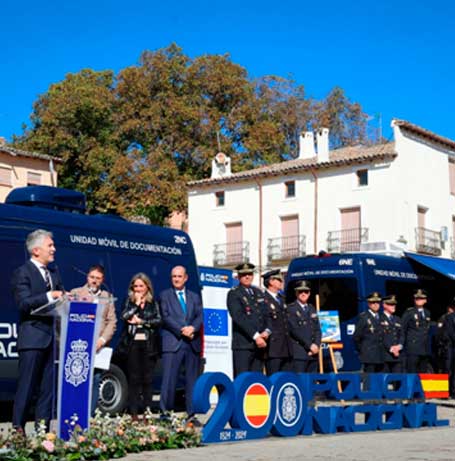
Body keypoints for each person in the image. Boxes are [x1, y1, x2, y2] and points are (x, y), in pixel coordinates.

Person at [11, 229, 65, 431]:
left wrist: (72, 299)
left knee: (47, 389)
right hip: (32, 338)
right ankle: (18, 428)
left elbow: (62, 297)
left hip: (52, 337)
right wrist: (50, 296)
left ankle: (43, 430)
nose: (54, 249)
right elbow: (24, 303)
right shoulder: (22, 273)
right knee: (27, 387)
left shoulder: (54, 273)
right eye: (50, 246)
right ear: (36, 250)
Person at [70, 265, 117, 414]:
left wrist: (101, 341)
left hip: (98, 347)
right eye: (92, 277)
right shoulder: (76, 293)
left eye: (98, 278)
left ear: (102, 280)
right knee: (77, 381)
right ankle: (75, 412)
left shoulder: (107, 297)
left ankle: (89, 415)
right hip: (78, 345)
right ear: (87, 277)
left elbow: (112, 322)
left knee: (95, 380)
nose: (94, 281)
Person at [159, 265, 203, 422]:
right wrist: (182, 329)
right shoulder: (165, 295)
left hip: (192, 342)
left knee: (192, 382)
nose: (176, 279)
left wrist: (193, 328)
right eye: (173, 277)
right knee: (169, 380)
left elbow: (200, 316)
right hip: (173, 342)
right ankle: (166, 414)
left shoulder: (194, 296)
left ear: (186, 278)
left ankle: (191, 415)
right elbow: (165, 317)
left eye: (179, 276)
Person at [119, 273, 161, 420]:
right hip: (132, 344)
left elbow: (158, 320)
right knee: (134, 378)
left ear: (147, 287)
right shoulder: (129, 301)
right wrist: (136, 305)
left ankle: (147, 412)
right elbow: (124, 316)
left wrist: (141, 321)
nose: (138, 289)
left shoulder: (153, 303)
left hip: (149, 344)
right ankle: (134, 413)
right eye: (135, 286)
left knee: (148, 379)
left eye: (141, 286)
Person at [227, 263, 271, 377]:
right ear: (238, 277)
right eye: (244, 274)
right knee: (242, 381)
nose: (247, 277)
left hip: (260, 345)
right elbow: (238, 317)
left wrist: (267, 331)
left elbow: (267, 314)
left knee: (257, 381)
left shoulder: (258, 292)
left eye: (249, 274)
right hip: (243, 345)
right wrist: (256, 336)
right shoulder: (234, 293)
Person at [287, 280, 322, 373]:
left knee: (312, 382)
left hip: (313, 353)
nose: (303, 294)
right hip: (299, 353)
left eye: (306, 291)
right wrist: (309, 345)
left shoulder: (311, 308)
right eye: (300, 291)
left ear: (309, 293)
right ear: (296, 293)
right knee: (300, 382)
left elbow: (317, 329)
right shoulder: (291, 309)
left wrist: (317, 345)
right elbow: (294, 331)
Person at [262, 270, 292, 375]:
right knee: (274, 380)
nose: (281, 282)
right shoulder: (263, 299)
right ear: (271, 282)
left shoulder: (282, 299)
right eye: (279, 279)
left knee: (286, 381)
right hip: (273, 349)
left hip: (286, 347)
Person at [402, 288, 432, 373]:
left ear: (425, 300)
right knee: (412, 372)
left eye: (421, 298)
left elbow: (426, 330)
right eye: (417, 298)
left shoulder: (427, 313)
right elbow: (403, 329)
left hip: (424, 348)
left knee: (423, 372)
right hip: (413, 348)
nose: (419, 300)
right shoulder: (409, 312)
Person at [353, 292, 384, 373]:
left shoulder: (382, 317)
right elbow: (356, 337)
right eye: (373, 302)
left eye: (377, 302)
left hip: (380, 355)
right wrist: (363, 350)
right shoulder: (364, 317)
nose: (376, 305)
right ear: (369, 304)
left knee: (379, 381)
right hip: (369, 355)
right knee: (369, 380)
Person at [380, 294, 404, 373]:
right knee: (384, 380)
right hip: (385, 355)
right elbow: (381, 336)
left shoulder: (397, 319)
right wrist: (391, 348)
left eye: (394, 304)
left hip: (397, 355)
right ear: (384, 305)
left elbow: (402, 335)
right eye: (390, 304)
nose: (393, 306)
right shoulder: (380, 318)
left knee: (398, 380)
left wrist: (399, 346)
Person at [434, 303, 455, 374]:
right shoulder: (444, 318)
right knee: (446, 367)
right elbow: (439, 332)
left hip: (451, 345)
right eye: (451, 307)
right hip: (446, 346)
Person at [443, 298, 455, 397]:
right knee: (448, 369)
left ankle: (454, 391)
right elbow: (450, 332)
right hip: (451, 347)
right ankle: (445, 392)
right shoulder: (450, 317)